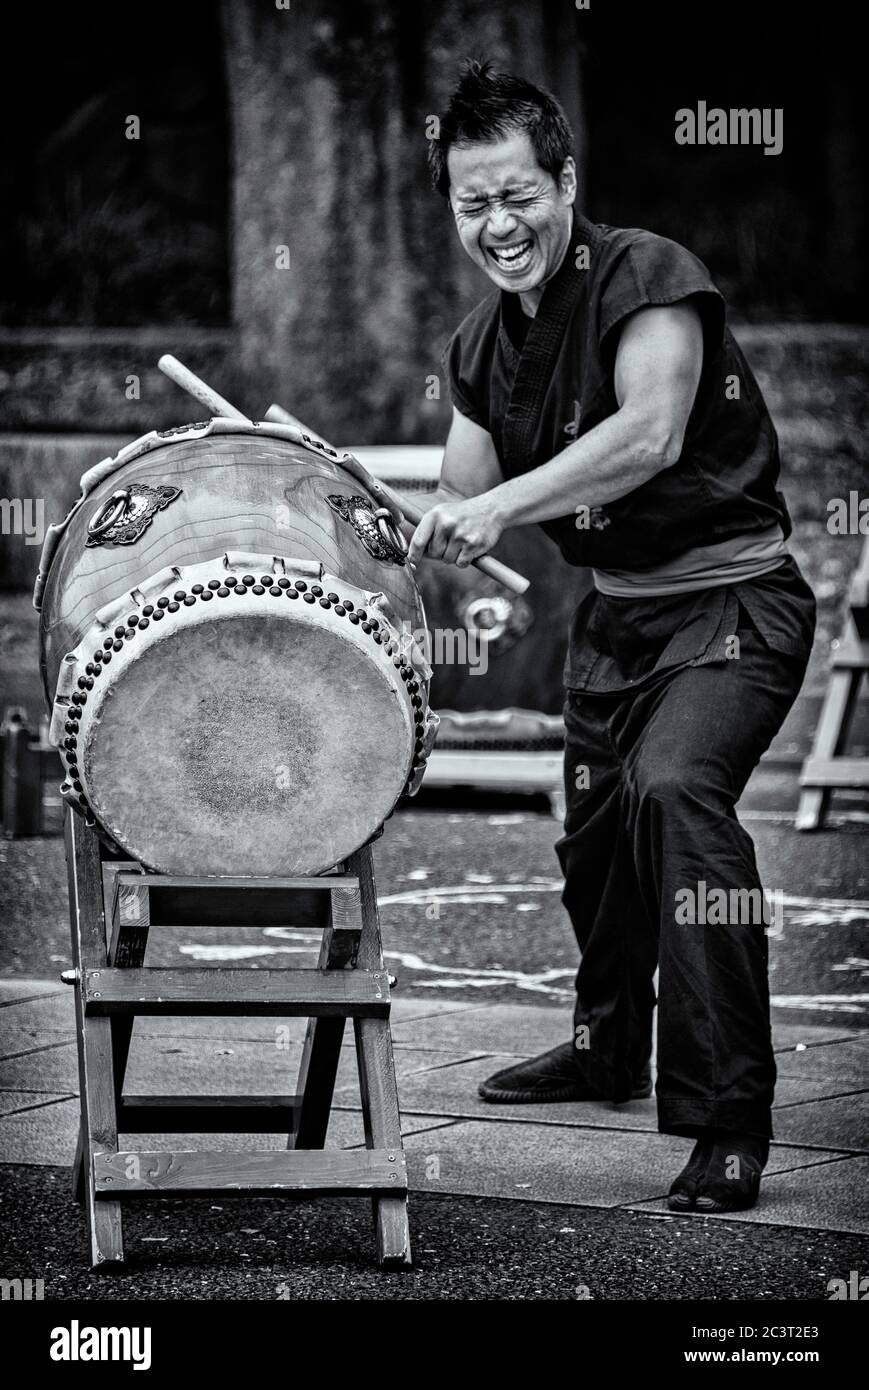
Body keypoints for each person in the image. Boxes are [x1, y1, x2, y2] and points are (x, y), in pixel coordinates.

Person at [409, 61, 816, 1213]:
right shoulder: (482, 339)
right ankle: (602, 1047)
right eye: (470, 203)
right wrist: (422, 521)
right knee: (595, 839)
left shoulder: (648, 274)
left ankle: (728, 1117)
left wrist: (495, 505)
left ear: (565, 181)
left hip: (733, 605)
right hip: (616, 618)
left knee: (674, 795)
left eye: (516, 195)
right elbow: (465, 482)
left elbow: (647, 433)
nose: (497, 224)